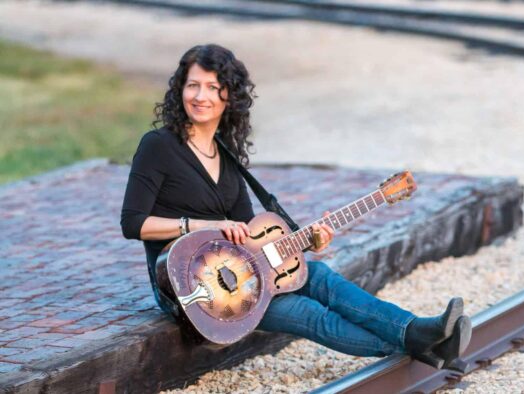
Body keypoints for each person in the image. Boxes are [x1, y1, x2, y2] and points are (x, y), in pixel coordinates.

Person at [120, 44, 471, 370]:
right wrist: (199, 226)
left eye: (213, 88)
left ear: (230, 97)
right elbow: (132, 223)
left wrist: (308, 240)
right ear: (179, 90)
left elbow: (251, 231)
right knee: (308, 312)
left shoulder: (225, 155)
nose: (201, 96)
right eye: (193, 85)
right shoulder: (158, 146)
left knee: (319, 276)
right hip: (187, 288)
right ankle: (421, 343)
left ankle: (416, 333)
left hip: (240, 274)